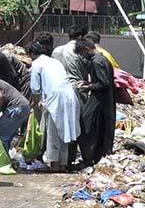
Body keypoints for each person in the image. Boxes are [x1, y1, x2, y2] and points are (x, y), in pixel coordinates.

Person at [27, 41, 81, 172]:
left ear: (32, 54)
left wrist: (33, 105)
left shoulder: (37, 64)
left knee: (53, 132)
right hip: (69, 96)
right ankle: (62, 163)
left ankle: (54, 164)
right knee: (65, 130)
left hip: (55, 99)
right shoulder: (54, 62)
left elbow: (35, 88)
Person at [74, 38, 116, 167]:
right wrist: (90, 83)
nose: (83, 56)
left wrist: (88, 87)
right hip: (106, 100)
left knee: (85, 127)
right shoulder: (104, 59)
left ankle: (88, 159)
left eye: (82, 53)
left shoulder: (97, 62)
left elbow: (103, 83)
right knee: (101, 129)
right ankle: (97, 157)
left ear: (87, 49)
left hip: (99, 100)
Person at [0, 76, 30, 152]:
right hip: (23, 107)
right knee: (6, 138)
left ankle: (1, 162)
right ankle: (6, 160)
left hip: (16, 107)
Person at [52, 25, 90, 96]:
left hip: (58, 89)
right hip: (77, 90)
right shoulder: (81, 51)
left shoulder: (56, 51)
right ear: (80, 37)